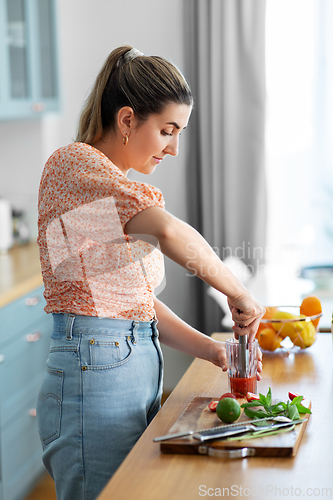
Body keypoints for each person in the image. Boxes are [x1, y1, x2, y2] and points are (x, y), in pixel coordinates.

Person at [36, 45, 265, 500]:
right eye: (167, 131)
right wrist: (238, 292)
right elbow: (168, 230)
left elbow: (130, 304)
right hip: (94, 375)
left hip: (122, 369)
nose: (174, 148)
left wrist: (212, 350)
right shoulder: (74, 166)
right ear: (126, 120)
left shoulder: (100, 185)